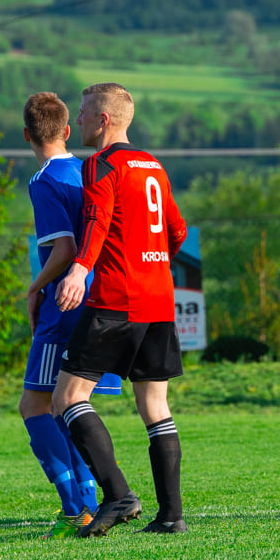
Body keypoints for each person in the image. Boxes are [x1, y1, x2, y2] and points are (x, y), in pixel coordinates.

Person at [53, 82, 189, 536]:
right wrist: (152, 259)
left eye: (86, 113)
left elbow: (96, 220)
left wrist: (79, 269)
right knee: (155, 404)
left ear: (104, 119)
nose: (81, 120)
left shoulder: (101, 165)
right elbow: (177, 231)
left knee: (68, 398)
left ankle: (118, 495)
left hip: (116, 297)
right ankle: (171, 516)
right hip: (159, 299)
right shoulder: (154, 165)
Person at [20, 91, 122, 538]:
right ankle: (88, 500)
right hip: (103, 299)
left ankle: (75, 506)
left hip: (64, 303)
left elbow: (64, 249)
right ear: (66, 130)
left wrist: (35, 286)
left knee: (35, 405)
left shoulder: (43, 180)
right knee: (71, 404)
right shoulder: (88, 169)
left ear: (27, 135)